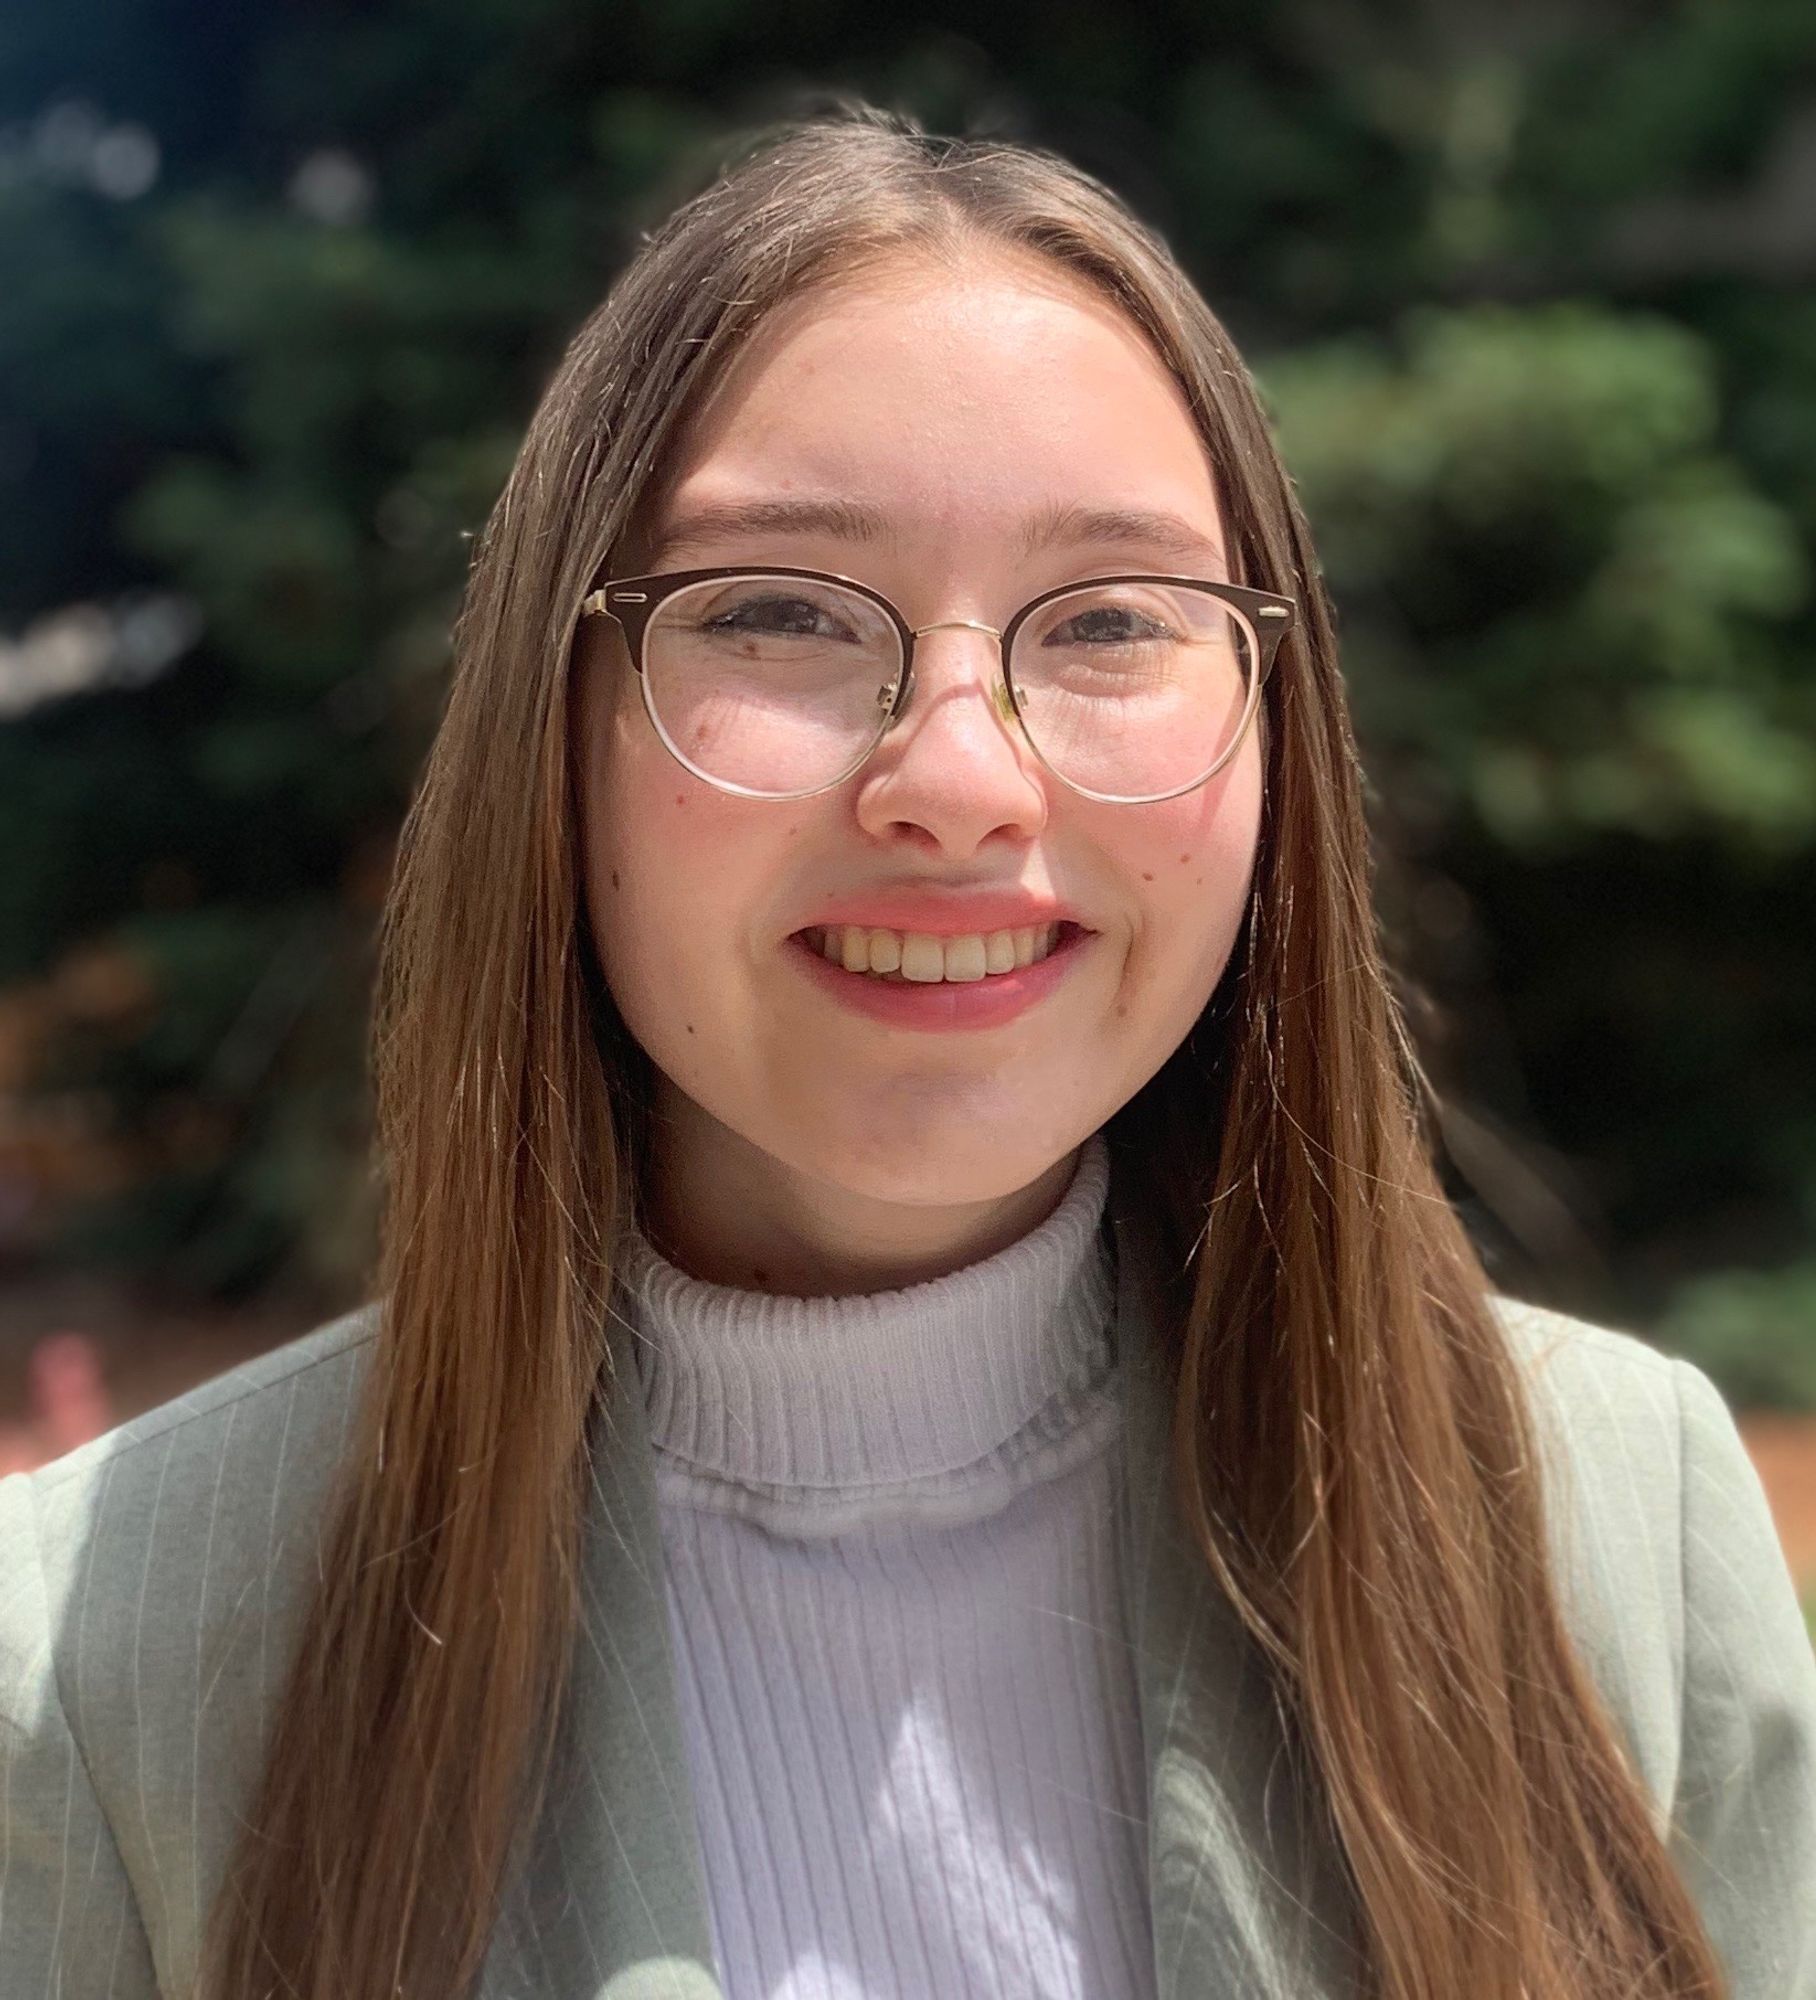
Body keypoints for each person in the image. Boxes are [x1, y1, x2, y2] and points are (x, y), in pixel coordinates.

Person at [1, 102, 1811, 2000]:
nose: (957, 777)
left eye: (1111, 618)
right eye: (776, 611)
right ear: (558, 723)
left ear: (1279, 734)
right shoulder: (108, 1666)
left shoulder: (1624, 1534)